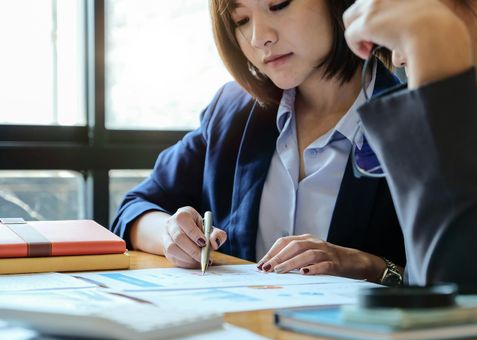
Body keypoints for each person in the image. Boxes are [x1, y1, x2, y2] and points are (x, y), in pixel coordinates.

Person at [112, 0, 406, 283]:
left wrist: (370, 266)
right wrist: (171, 234)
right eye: (241, 20)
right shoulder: (233, 110)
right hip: (248, 326)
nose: (259, 37)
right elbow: (134, 209)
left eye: (278, 5)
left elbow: (447, 275)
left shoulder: (418, 121)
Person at [343, 0, 477, 292]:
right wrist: (376, 269)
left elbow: (464, 303)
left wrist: (436, 51)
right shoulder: (471, 118)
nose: (399, 59)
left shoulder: (447, 119)